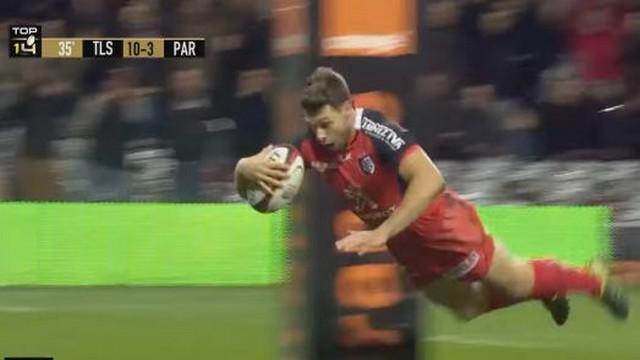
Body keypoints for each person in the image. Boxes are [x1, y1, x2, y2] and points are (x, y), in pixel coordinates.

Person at [234, 67, 629, 324]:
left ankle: (592, 278)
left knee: (517, 281)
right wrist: (243, 170)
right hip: (408, 244)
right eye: (312, 125)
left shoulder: (376, 131)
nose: (319, 135)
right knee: (468, 309)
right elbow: (268, 172)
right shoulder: (315, 147)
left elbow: (430, 180)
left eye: (325, 123)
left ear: (348, 110)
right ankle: (547, 289)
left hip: (442, 226)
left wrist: (382, 232)